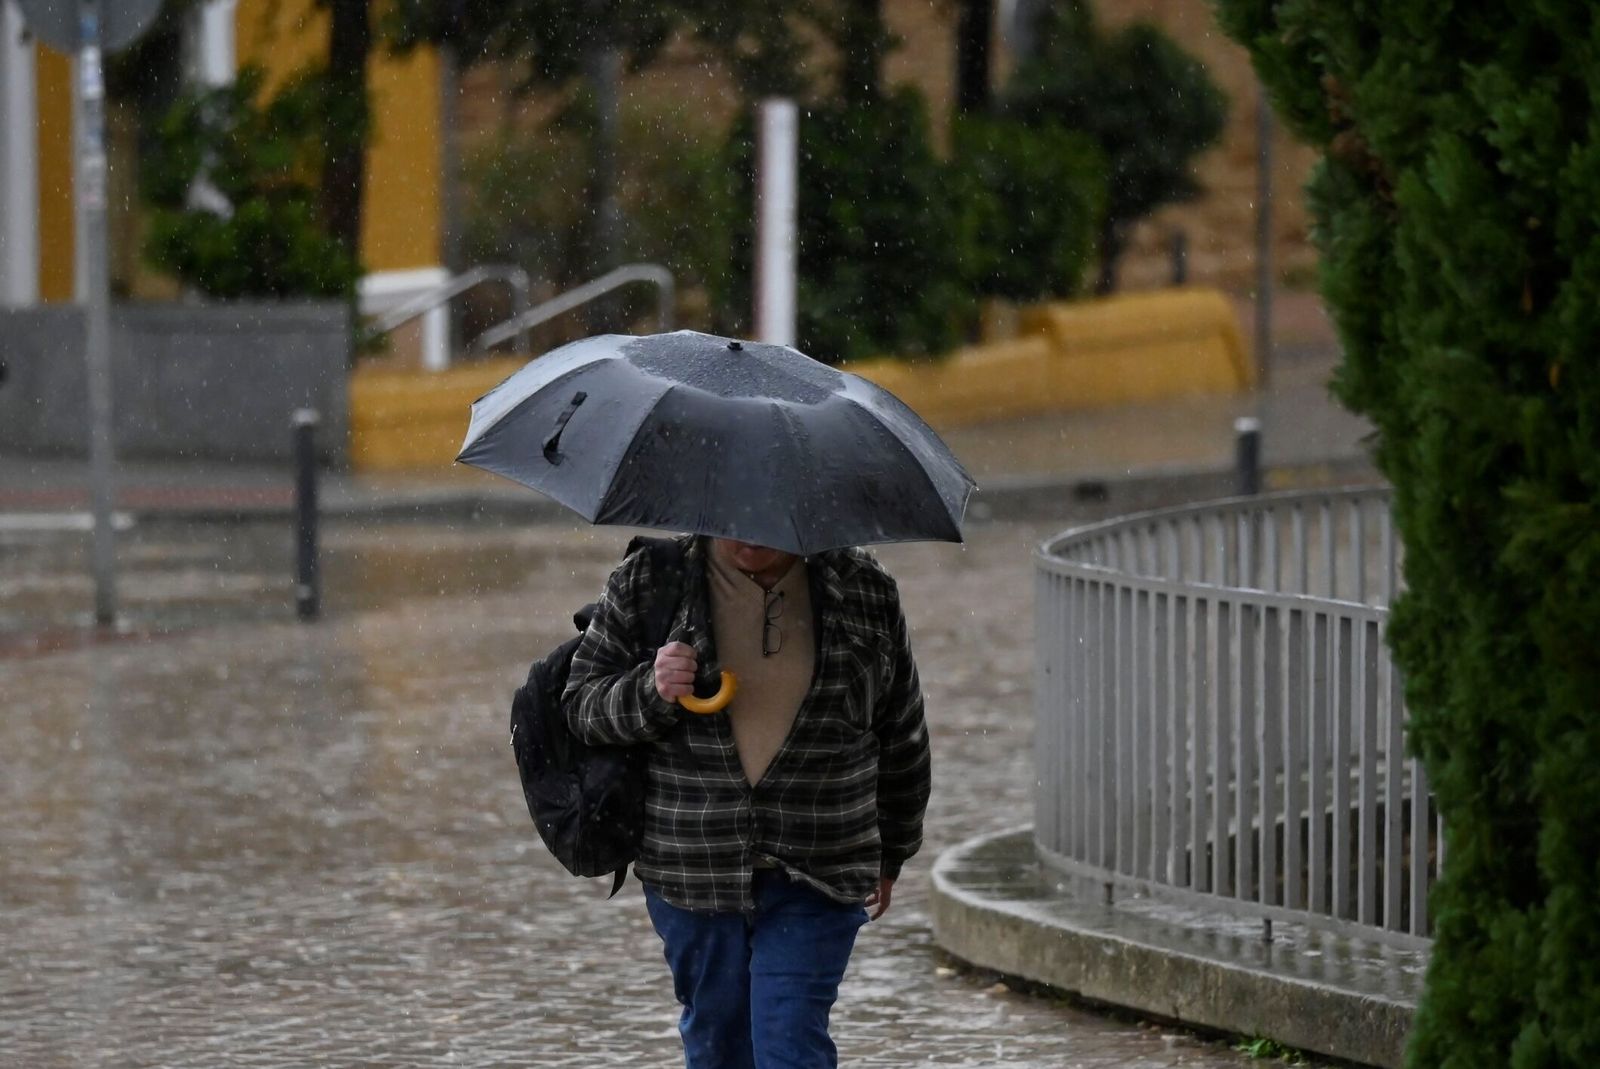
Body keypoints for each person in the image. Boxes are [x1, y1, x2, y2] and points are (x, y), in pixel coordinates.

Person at [563, 533, 932, 1069]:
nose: (748, 534)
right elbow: (582, 707)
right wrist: (651, 688)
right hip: (692, 866)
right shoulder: (652, 579)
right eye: (733, 519)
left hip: (819, 864)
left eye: (767, 523)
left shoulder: (863, 588)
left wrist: (894, 846)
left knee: (791, 1042)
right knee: (720, 1043)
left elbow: (901, 729)